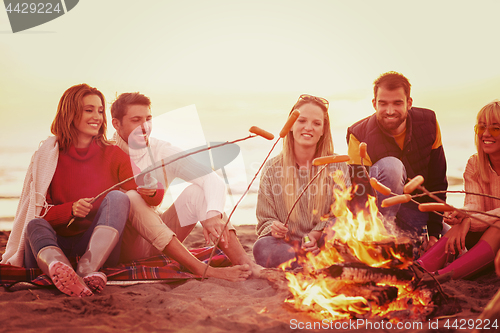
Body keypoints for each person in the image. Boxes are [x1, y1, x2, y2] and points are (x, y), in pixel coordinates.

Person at [1, 84, 163, 296]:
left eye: (100, 110)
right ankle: (61, 269)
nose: (97, 116)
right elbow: (38, 212)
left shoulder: (113, 154)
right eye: (89, 110)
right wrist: (70, 210)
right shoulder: (47, 156)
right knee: (35, 224)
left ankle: (87, 269)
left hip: (98, 249)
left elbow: (150, 194)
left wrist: (152, 189)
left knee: (118, 198)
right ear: (70, 113)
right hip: (51, 246)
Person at [110, 92, 262, 281]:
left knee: (196, 192)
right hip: (120, 246)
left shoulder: (161, 150)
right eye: (135, 120)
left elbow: (211, 178)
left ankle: (246, 264)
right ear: (116, 124)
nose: (144, 127)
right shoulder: (105, 151)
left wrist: (212, 215)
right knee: (132, 197)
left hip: (156, 242)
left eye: (148, 119)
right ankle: (202, 269)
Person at [347, 71, 448, 249]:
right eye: (383, 103)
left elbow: (437, 181)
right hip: (378, 216)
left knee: (456, 248)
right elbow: (359, 193)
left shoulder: (429, 123)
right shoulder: (358, 134)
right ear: (374, 104)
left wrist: (433, 233)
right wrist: (370, 230)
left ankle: (414, 242)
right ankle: (383, 242)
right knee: (392, 166)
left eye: (397, 103)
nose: (390, 111)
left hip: (415, 211)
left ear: (409, 103)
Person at [253, 94, 351, 268]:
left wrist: (317, 234)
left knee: (341, 234)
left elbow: (342, 212)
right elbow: (264, 220)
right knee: (261, 248)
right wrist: (274, 228)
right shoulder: (272, 168)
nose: (308, 127)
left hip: (323, 242)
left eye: (316, 123)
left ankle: (317, 261)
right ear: (291, 126)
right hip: (288, 246)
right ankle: (309, 263)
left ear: (323, 130)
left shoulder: (337, 164)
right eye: (302, 121)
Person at [417, 100, 500, 279]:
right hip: (485, 241)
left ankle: (445, 275)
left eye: (495, 128)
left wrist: (469, 219)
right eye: (481, 128)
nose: (486, 134)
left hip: (496, 237)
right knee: (460, 221)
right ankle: (420, 268)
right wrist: (462, 215)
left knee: (497, 224)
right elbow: (474, 205)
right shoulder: (475, 164)